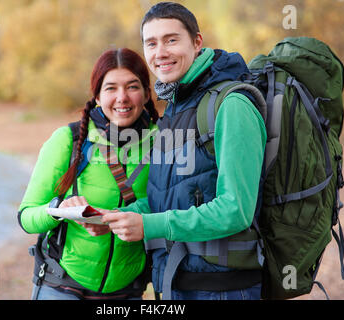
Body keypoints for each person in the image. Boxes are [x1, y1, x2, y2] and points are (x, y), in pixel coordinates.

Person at [100, 2, 267, 300]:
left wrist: (149, 225)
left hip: (224, 289)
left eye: (171, 40)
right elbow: (166, 199)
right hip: (178, 283)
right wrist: (116, 217)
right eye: (151, 43)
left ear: (197, 42)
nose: (160, 52)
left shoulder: (231, 105)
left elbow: (235, 210)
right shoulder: (176, 107)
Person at [18, 48, 159, 300]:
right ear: (96, 96)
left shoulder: (165, 143)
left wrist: (125, 217)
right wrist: (59, 208)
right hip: (62, 284)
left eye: (132, 87)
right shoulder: (68, 140)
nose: (122, 98)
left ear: (147, 93)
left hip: (129, 288)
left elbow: (170, 208)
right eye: (111, 88)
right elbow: (26, 217)